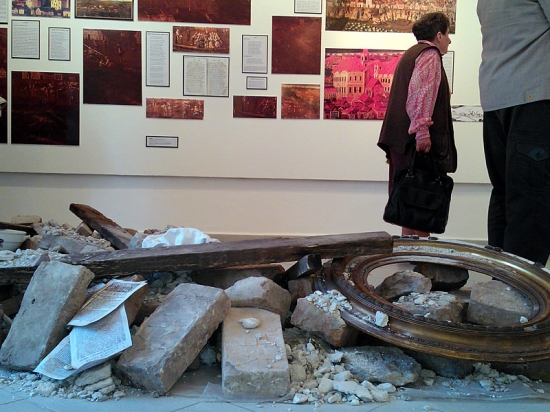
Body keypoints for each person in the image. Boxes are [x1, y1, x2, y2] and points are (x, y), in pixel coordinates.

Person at [477, 1, 550, 265]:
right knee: (531, 198)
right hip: (532, 96)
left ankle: (499, 282)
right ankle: (522, 288)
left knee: (504, 193)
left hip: (495, 98)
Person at [378, 12, 457, 237]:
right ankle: (420, 253)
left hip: (402, 140)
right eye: (447, 34)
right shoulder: (430, 55)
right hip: (415, 142)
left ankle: (409, 251)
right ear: (438, 35)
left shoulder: (411, 54)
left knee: (409, 203)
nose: (449, 41)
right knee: (423, 201)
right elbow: (420, 95)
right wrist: (422, 132)